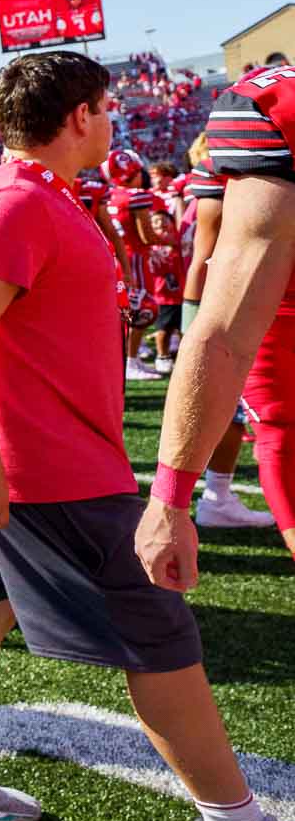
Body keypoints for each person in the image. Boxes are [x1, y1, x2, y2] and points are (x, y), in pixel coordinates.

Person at [0, 51, 295, 821]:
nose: (113, 121)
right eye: (106, 108)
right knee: (159, 633)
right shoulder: (13, 200)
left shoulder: (33, 197)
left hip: (33, 460)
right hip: (47, 469)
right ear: (79, 115)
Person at [156, 63, 295, 557]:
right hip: (271, 313)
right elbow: (223, 319)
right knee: (273, 425)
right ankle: (216, 493)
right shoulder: (274, 108)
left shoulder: (272, 105)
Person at [178, 144, 268, 529]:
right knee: (231, 406)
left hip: (251, 297)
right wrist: (197, 319)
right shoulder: (225, 166)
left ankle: (217, 495)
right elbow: (206, 251)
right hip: (234, 301)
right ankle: (213, 497)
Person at [101, 149, 176, 381]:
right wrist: (171, 239)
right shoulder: (135, 197)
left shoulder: (110, 196)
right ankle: (130, 362)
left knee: (124, 314)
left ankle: (129, 361)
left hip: (115, 260)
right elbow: (147, 237)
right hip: (135, 260)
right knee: (142, 312)